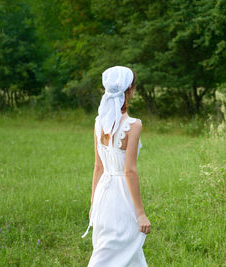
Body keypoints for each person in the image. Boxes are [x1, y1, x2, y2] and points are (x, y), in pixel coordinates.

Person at [81, 66, 151, 266]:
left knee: (129, 255)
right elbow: (129, 171)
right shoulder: (133, 125)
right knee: (109, 255)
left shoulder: (98, 122)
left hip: (104, 194)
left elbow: (98, 167)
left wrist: (94, 203)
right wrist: (140, 213)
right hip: (121, 197)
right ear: (130, 89)